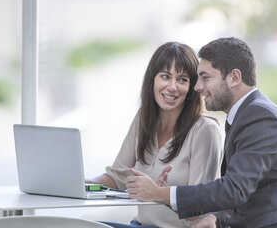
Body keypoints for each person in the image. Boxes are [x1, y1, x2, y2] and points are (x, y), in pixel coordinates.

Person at [126, 37, 277, 228]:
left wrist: (158, 194)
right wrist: (216, 217)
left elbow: (234, 189)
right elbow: (244, 189)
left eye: (205, 77)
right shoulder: (245, 115)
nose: (197, 86)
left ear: (234, 78)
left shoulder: (262, 117)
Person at [86, 41, 223, 228]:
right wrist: (81, 182)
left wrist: (161, 194)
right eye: (165, 76)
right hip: (140, 224)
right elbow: (118, 178)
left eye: (182, 79)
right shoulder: (144, 118)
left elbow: (200, 209)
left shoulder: (205, 130)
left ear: (192, 88)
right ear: (153, 79)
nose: (172, 86)